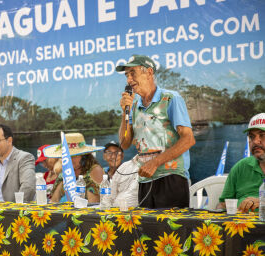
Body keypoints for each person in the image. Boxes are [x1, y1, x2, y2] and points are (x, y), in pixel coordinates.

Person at [117, 54, 195, 208]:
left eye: (133, 73)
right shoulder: (134, 106)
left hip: (172, 178)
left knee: (171, 231)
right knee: (147, 231)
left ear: (149, 72)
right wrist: (124, 112)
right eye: (126, 75)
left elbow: (188, 139)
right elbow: (125, 144)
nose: (129, 80)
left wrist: (155, 163)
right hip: (145, 180)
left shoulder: (171, 98)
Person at [217, 113, 265, 213]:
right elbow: (222, 204)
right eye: (251, 137)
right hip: (239, 227)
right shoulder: (240, 167)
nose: (255, 141)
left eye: (262, 135)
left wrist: (262, 202)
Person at [0, 124, 35, 202]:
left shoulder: (24, 158)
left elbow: (28, 188)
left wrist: (11, 210)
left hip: (14, 211)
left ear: (9, 141)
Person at [45, 133, 105, 203]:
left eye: (74, 156)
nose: (70, 159)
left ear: (84, 156)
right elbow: (54, 201)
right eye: (67, 156)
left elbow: (93, 204)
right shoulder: (64, 173)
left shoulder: (95, 170)